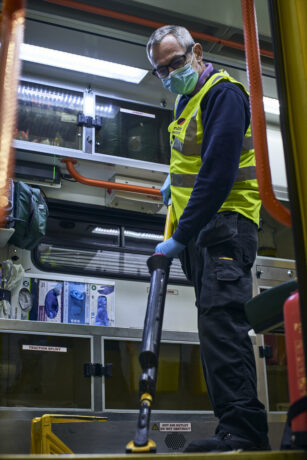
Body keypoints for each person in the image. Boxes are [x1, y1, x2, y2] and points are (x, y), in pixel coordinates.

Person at [146, 25, 270, 452]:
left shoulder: (224, 93)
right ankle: (230, 427)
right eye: (161, 70)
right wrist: (170, 182)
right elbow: (192, 164)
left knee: (223, 326)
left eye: (175, 62)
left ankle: (245, 433)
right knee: (213, 329)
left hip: (225, 228)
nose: (170, 73)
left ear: (196, 52)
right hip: (204, 236)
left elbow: (216, 176)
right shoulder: (186, 101)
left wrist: (178, 238)